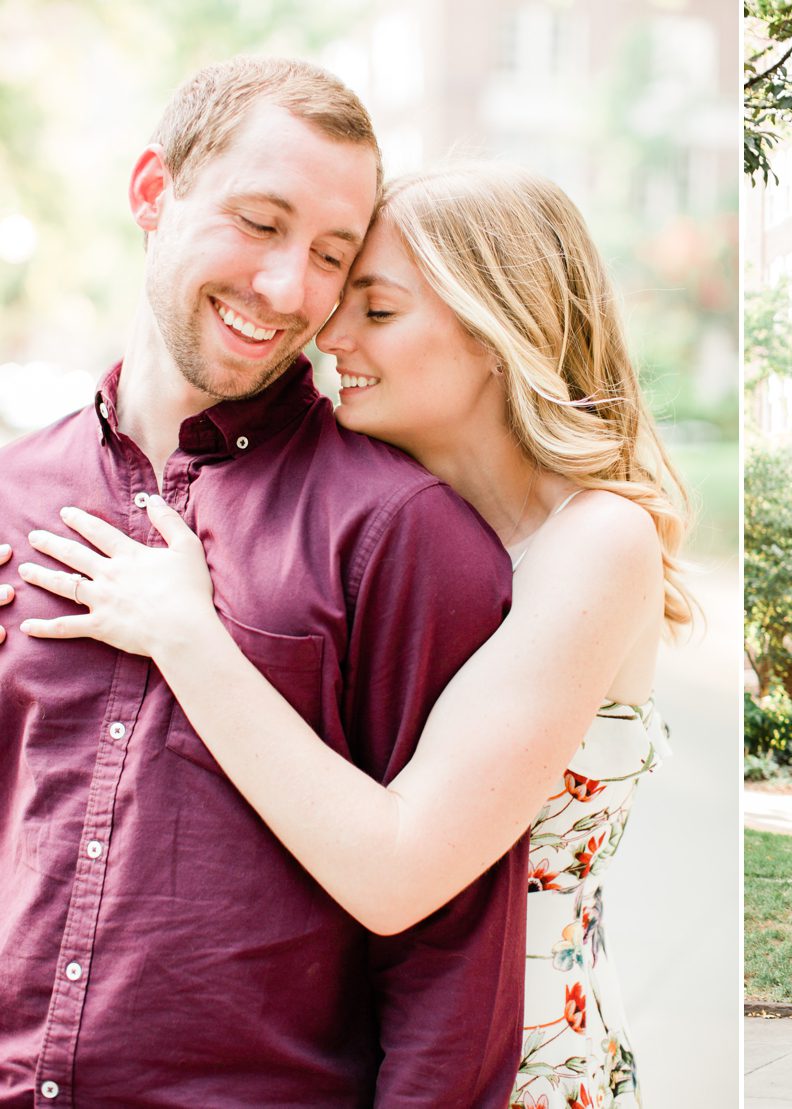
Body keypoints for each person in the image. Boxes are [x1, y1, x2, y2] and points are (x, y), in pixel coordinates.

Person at [8, 161, 693, 1108]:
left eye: (376, 310)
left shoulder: (598, 540)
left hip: (522, 1069)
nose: (328, 336)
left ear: (499, 329)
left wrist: (186, 635)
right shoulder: (395, 523)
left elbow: (397, 869)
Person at [0, 58, 526, 1104]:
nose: (288, 291)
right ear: (154, 191)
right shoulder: (14, 490)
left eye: (331, 254)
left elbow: (454, 958)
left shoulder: (402, 534)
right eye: (259, 222)